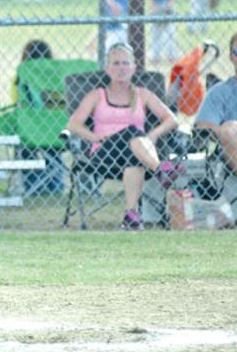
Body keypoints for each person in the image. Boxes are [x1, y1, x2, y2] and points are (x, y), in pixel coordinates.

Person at [67, 43, 184, 230]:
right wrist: (93, 138)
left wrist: (153, 135)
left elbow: (172, 119)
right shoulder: (97, 95)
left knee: (134, 156)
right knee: (132, 131)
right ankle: (161, 170)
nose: (121, 68)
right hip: (104, 154)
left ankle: (131, 216)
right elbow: (73, 124)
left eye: (125, 63)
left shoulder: (143, 94)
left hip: (137, 153)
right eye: (115, 63)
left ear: (134, 68)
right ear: (107, 68)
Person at [194, 30, 237, 192]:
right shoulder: (220, 92)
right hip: (235, 154)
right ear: (231, 57)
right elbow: (202, 126)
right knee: (230, 127)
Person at [12, 40, 65, 194]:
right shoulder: (59, 77)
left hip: (31, 131)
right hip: (58, 131)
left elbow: (16, 103)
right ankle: (55, 185)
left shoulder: (19, 79)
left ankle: (33, 185)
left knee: (26, 149)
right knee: (53, 151)